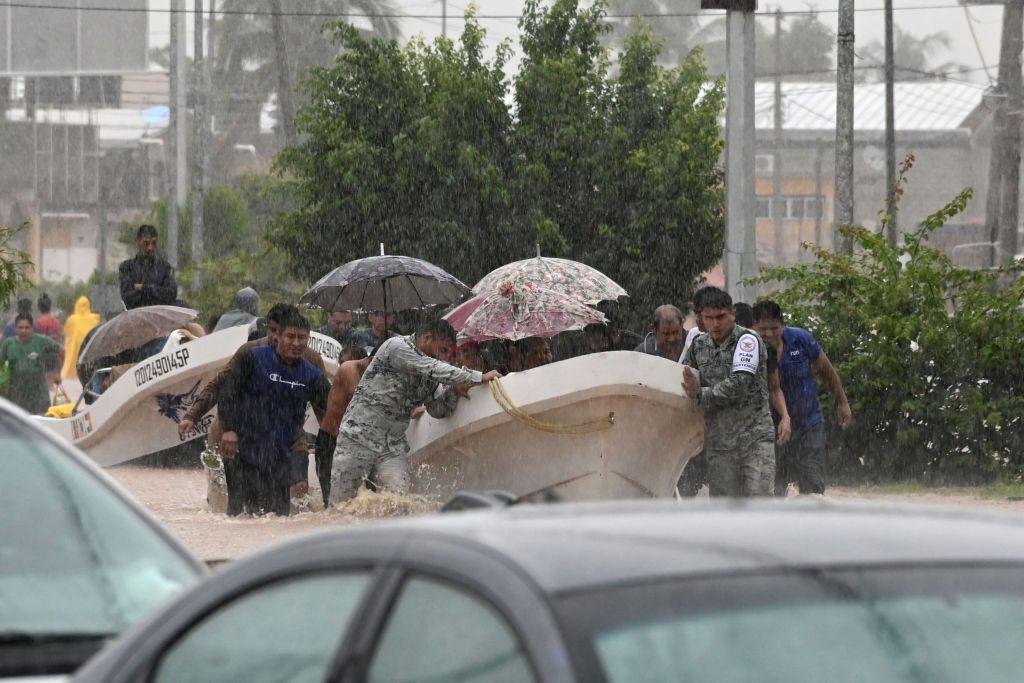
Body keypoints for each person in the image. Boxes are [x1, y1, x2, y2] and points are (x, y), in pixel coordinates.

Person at [330, 319, 501, 504]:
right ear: (427, 338)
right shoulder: (397, 347)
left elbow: (436, 409)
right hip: (358, 438)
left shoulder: (432, 371)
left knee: (398, 503)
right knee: (341, 505)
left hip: (392, 446)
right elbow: (431, 368)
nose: (444, 357)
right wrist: (477, 377)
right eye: (443, 350)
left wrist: (454, 391)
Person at [178, 304, 326, 507]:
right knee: (240, 503)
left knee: (290, 496)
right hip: (240, 430)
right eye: (274, 331)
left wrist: (328, 443)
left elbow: (325, 407)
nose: (278, 337)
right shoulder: (251, 353)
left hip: (287, 437)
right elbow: (222, 386)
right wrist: (193, 416)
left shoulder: (310, 361)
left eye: (299, 337)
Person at [216, 309, 330, 516]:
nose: (296, 343)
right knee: (238, 514)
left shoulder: (312, 375)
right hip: (241, 448)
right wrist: (229, 430)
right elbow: (226, 393)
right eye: (290, 336)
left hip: (279, 455)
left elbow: (331, 411)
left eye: (302, 338)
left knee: (276, 517)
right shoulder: (252, 358)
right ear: (278, 336)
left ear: (308, 339)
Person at [681, 287, 775, 497]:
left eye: (721, 317)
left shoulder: (748, 341)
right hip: (719, 443)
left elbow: (739, 383)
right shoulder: (698, 346)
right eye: (709, 318)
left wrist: (700, 395)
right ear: (701, 318)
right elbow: (684, 379)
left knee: (759, 504)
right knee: (724, 512)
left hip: (754, 439)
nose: (715, 324)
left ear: (732, 313)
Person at [752, 300, 853, 496]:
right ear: (753, 327)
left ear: (783, 324)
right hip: (770, 428)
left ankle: (812, 523)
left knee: (813, 484)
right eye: (763, 329)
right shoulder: (749, 349)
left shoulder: (801, 339)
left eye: (774, 328)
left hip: (809, 424)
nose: (769, 334)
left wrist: (842, 403)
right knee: (773, 489)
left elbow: (827, 371)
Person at [314, 346, 372, 506]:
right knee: (334, 504)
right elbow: (361, 404)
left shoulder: (370, 378)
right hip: (332, 443)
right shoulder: (349, 371)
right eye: (341, 364)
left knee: (366, 502)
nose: (342, 369)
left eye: (344, 363)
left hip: (360, 446)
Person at [0, 313, 65, 415]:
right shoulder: (8, 344)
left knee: (41, 426)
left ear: (32, 328)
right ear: (16, 329)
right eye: (20, 327)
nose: (24, 330)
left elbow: (61, 351)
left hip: (39, 397)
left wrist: (58, 373)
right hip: (16, 397)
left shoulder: (41, 341)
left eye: (27, 327)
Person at [118, 224, 177, 309]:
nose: (150, 248)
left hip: (159, 317)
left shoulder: (164, 267)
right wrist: (156, 291)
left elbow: (170, 294)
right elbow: (128, 298)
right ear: (138, 241)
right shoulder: (126, 267)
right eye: (146, 243)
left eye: (154, 243)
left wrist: (142, 287)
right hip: (135, 317)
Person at [61, 296, 100, 380]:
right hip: (89, 346)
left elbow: (66, 332)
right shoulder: (95, 318)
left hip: (75, 349)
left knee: (75, 370)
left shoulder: (72, 319)